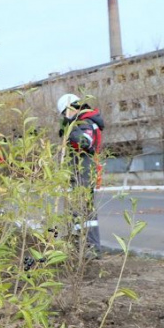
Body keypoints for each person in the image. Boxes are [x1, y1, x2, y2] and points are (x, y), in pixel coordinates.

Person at [57, 93, 105, 258]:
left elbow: (85, 142)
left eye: (65, 114)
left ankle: (92, 249)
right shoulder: (83, 122)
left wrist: (70, 128)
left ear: (70, 109)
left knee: (85, 212)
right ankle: (80, 246)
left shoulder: (84, 123)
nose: (64, 117)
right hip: (77, 172)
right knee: (76, 212)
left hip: (83, 172)